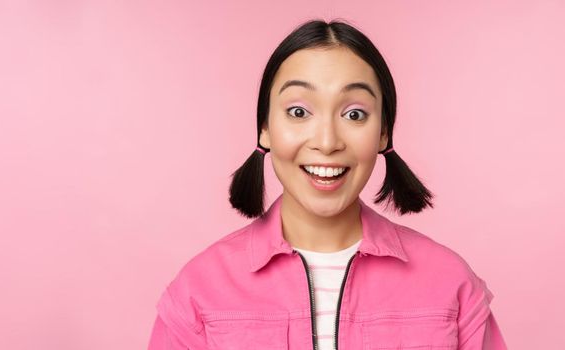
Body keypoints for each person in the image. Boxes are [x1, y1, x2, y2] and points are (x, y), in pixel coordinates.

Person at [147, 19, 507, 350]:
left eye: (354, 114)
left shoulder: (451, 285)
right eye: (299, 112)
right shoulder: (198, 291)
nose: (327, 140)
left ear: (383, 132)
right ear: (265, 129)